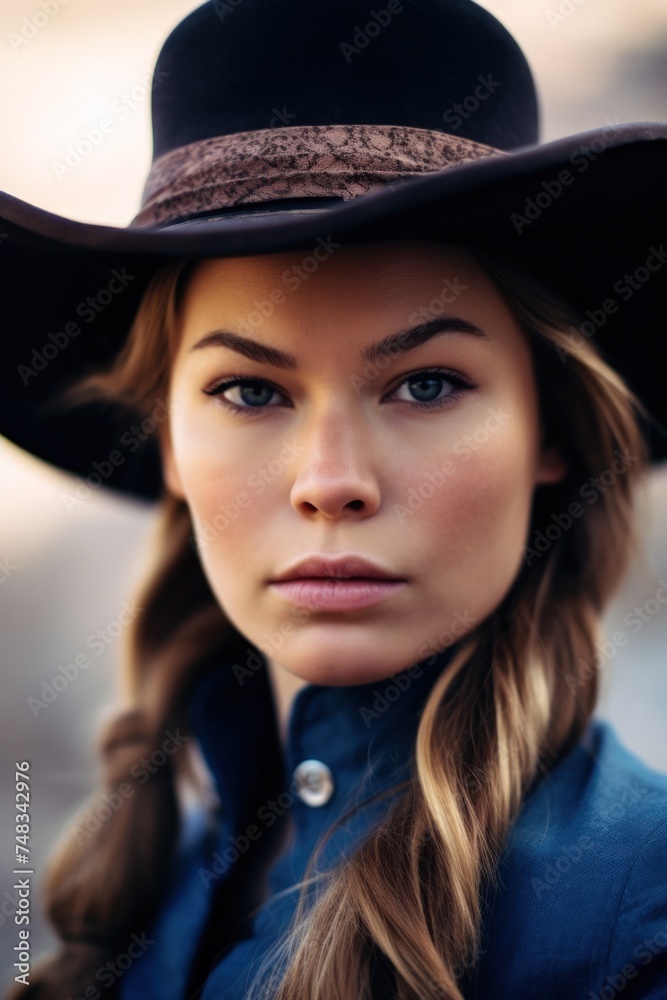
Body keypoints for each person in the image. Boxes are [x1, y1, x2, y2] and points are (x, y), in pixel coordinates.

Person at [1, 2, 667, 999]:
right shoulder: (163, 890)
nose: (329, 483)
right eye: (250, 391)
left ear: (552, 432)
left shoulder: (640, 912)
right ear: (168, 437)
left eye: (427, 384)